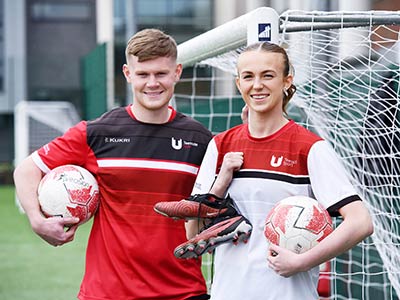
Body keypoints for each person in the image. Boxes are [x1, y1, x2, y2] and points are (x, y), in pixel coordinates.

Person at [155, 42, 374, 299]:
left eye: (267, 75)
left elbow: (361, 222)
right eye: (248, 76)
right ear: (239, 84)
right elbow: (193, 234)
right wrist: (218, 187)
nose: (257, 85)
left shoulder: (310, 148)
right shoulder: (220, 146)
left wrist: (302, 262)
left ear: (286, 81)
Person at [13, 28, 212, 300]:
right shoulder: (96, 133)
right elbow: (26, 170)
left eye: (161, 73)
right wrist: (37, 221)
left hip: (183, 292)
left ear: (177, 72)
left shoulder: (199, 139)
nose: (152, 82)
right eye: (143, 74)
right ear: (128, 74)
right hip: (108, 293)